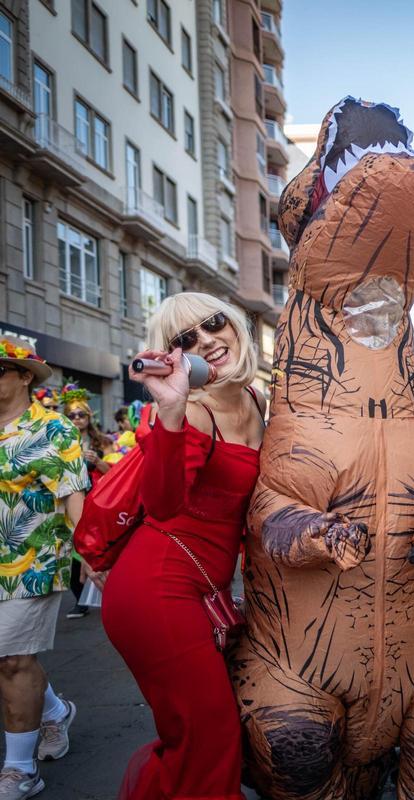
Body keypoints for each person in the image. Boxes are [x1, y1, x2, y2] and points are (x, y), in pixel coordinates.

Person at [100, 293, 265, 800]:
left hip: (208, 589)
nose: (207, 340)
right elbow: (163, 504)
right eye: (187, 339)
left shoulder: (259, 399)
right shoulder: (191, 412)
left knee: (205, 739)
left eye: (214, 323)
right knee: (208, 738)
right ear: (176, 357)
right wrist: (170, 413)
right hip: (155, 591)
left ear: (234, 323)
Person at [0, 335, 87, 800]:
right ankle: (54, 712)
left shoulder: (52, 429)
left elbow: (73, 494)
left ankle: (20, 770)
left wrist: (90, 552)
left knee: (12, 660)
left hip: (33, 560)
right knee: (7, 658)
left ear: (24, 376)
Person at [59, 384, 112, 620]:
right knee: (73, 555)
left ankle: (112, 595)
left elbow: (117, 475)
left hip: (96, 504)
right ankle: (81, 600)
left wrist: (98, 462)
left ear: (89, 417)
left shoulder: (102, 441)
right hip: (69, 503)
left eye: (81, 414)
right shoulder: (60, 442)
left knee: (98, 551)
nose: (77, 419)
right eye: (71, 415)